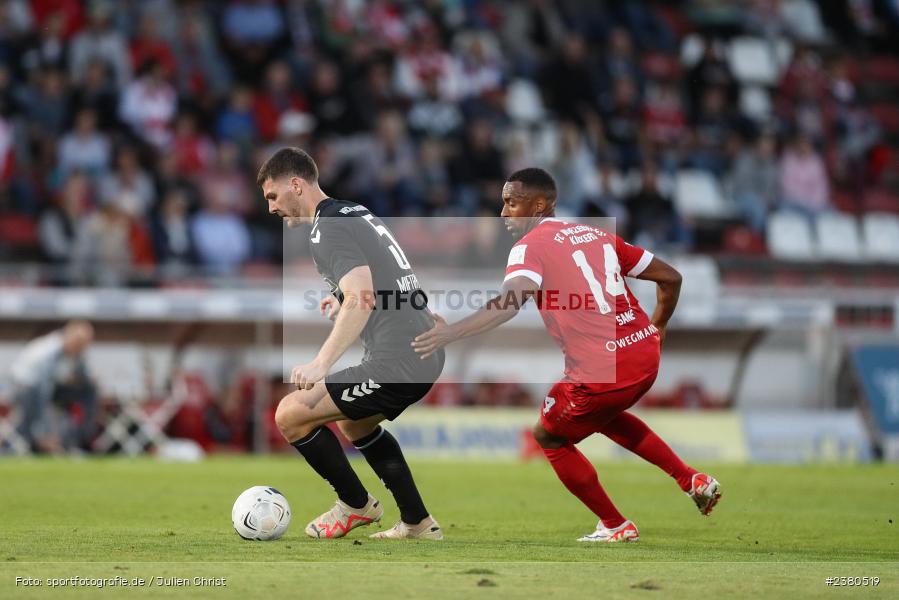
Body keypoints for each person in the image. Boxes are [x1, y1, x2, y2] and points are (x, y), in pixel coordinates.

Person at [412, 168, 722, 542]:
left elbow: (510, 303)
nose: (503, 212)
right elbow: (671, 277)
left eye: (511, 202)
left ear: (538, 205)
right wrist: (658, 326)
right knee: (604, 416)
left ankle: (615, 525)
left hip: (602, 370)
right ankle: (691, 479)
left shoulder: (529, 247)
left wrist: (452, 332)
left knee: (549, 435)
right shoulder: (598, 235)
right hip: (645, 357)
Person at [257, 147, 445, 540]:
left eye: (273, 196)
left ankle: (355, 505)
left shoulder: (327, 229)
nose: (271, 208)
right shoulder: (353, 212)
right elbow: (385, 275)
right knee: (354, 422)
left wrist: (321, 363)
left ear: (296, 184)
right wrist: (343, 299)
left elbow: (363, 297)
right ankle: (417, 523)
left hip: (399, 360)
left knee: (289, 414)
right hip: (423, 348)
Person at [10, 321, 98, 454]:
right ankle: (33, 442)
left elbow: (84, 379)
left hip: (54, 388)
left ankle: (81, 439)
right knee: (36, 402)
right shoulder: (50, 350)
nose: (82, 347)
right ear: (69, 336)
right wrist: (46, 429)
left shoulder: (76, 354)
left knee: (90, 390)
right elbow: (43, 390)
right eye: (79, 343)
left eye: (85, 343)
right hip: (27, 386)